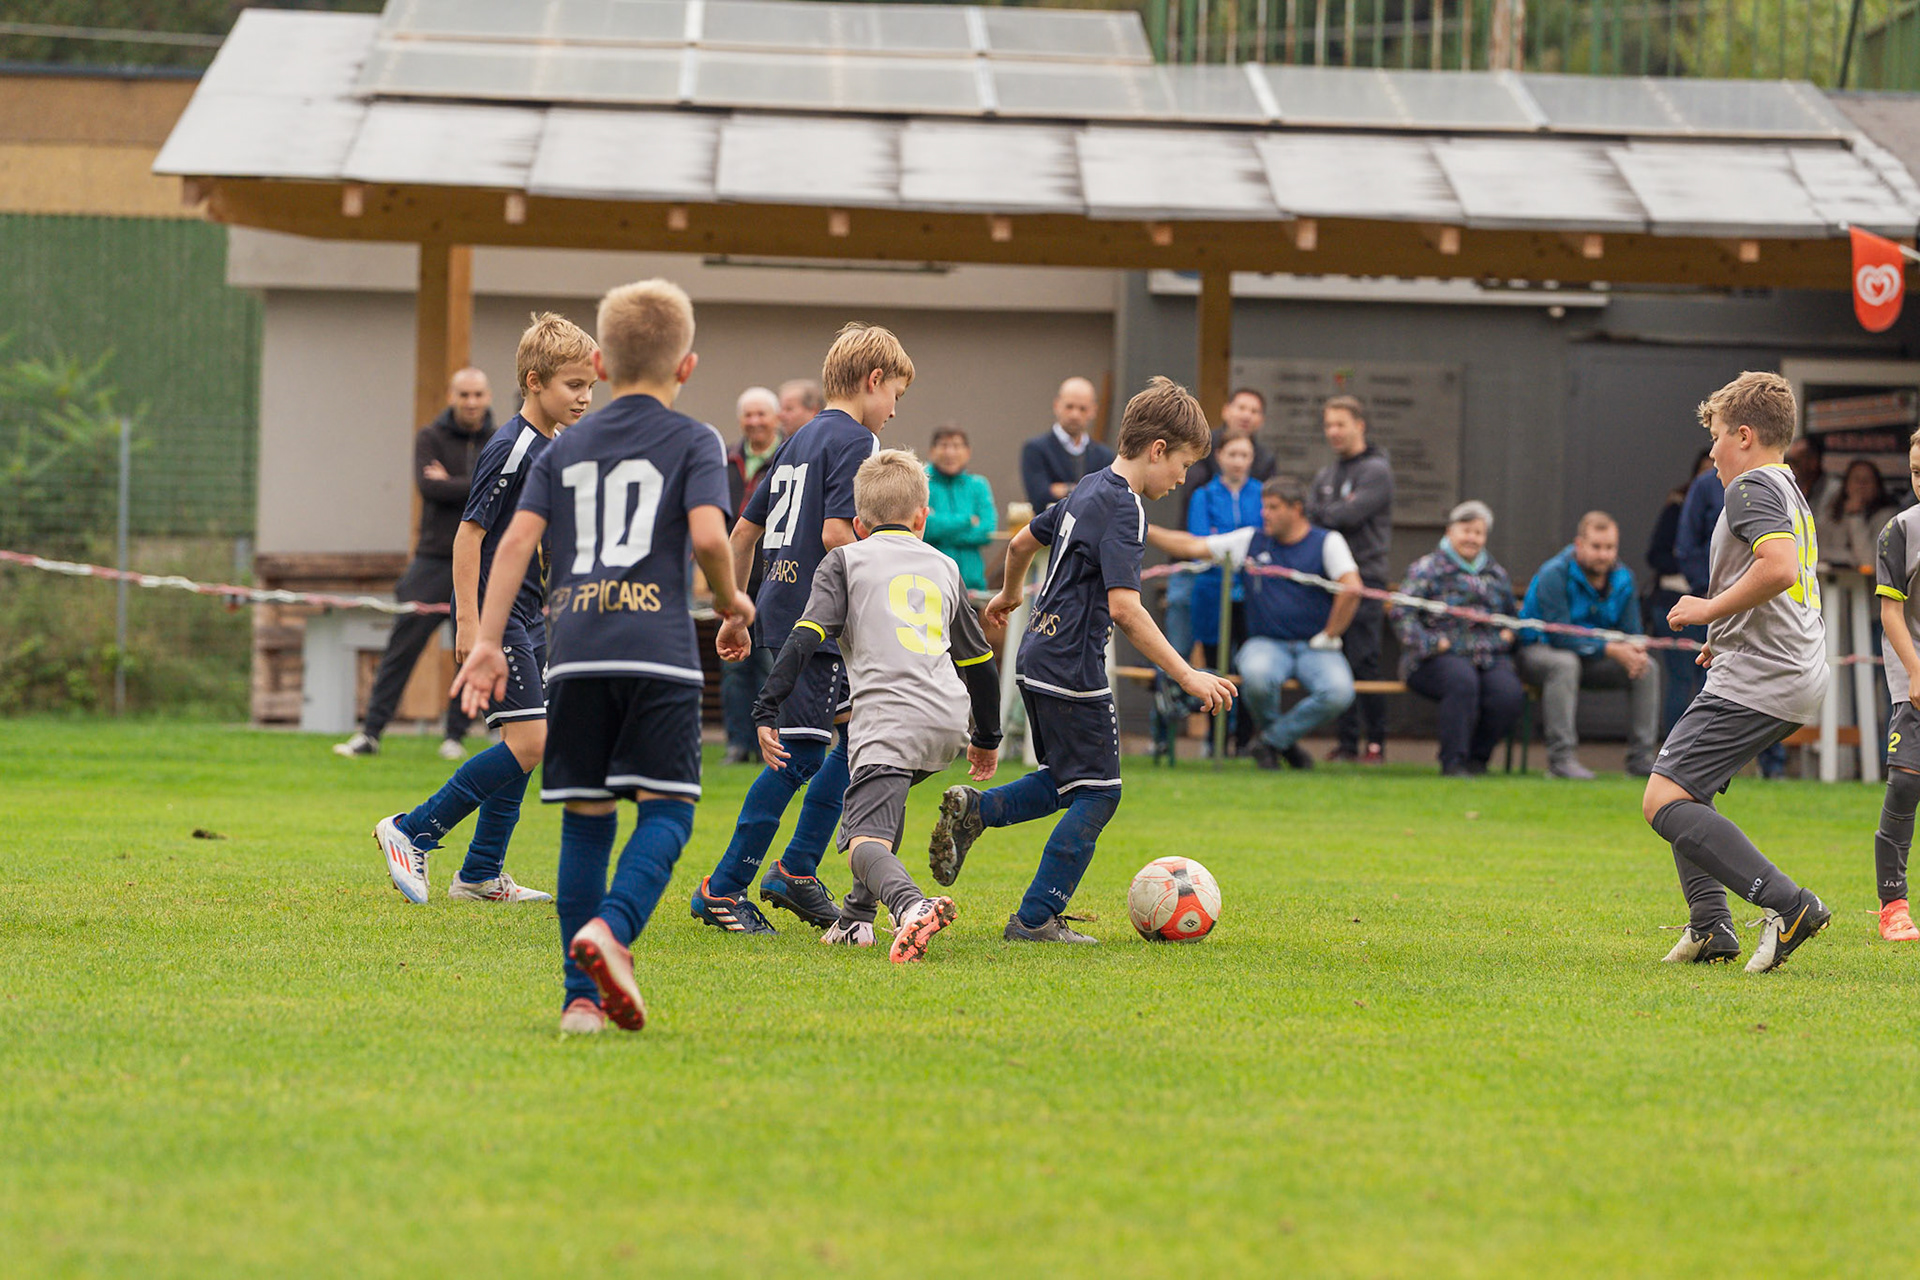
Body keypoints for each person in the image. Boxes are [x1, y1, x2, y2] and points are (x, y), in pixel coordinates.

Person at [451, 278, 753, 1034]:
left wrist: (485, 640)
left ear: (603, 365)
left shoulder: (567, 445)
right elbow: (710, 536)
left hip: (575, 651)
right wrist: (731, 602)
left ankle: (578, 1001)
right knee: (669, 811)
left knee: (586, 822)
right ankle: (612, 931)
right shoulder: (695, 440)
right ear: (686, 366)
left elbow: (513, 544)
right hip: (656, 653)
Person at [927, 378, 1236, 944]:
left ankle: (978, 811)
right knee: (1100, 793)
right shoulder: (1126, 508)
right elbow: (1125, 609)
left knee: (1068, 781)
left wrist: (1009, 595)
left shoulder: (1089, 486)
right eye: (1184, 464)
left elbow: (1021, 543)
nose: (1182, 478)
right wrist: (1188, 674)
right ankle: (1036, 918)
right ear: (1158, 450)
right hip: (1073, 665)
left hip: (1035, 655)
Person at [695, 323, 914, 935]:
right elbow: (838, 535)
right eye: (895, 394)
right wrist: (893, 590)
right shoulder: (858, 439)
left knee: (852, 740)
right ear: (874, 380)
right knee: (798, 756)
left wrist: (736, 607)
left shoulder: (799, 439)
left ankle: (795, 870)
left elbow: (744, 531)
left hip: (783, 607)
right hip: (818, 622)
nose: (894, 410)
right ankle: (723, 888)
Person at [374, 315, 598, 905]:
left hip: (528, 615)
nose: (585, 397)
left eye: (590, 386)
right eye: (574, 385)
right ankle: (412, 830)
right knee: (531, 742)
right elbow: (468, 535)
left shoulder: (552, 445)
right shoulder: (513, 446)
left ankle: (479, 874)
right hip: (497, 618)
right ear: (535, 382)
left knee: (524, 742)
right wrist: (473, 627)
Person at [751, 449, 1002, 961]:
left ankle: (910, 905)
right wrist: (987, 736)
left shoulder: (845, 560)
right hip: (947, 719)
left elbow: (805, 637)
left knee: (861, 842)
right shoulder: (946, 565)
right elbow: (979, 661)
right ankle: (856, 919)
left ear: (858, 524)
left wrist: (766, 707)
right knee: (885, 803)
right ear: (923, 517)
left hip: (888, 719)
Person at [1649, 371, 1830, 974]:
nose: (1712, 453)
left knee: (1664, 798)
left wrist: (1708, 611)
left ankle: (1790, 905)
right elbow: (1782, 583)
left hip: (1766, 674)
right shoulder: (1786, 486)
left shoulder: (1749, 486)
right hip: (1780, 667)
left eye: (1718, 436)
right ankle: (1710, 927)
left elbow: (1778, 568)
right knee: (1687, 787)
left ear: (1745, 436)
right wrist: (1724, 634)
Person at [334, 369, 495, 760]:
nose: (471, 402)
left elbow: (499, 491)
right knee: (401, 647)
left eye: (477, 394)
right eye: (464, 394)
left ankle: (455, 736)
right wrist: (477, 483)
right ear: (451, 396)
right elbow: (431, 488)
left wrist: (455, 482)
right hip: (433, 559)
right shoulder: (430, 437)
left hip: (478, 560)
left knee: (471, 649)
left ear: (488, 397)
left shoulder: (499, 440)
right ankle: (370, 734)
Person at [1147, 475, 1360, 771]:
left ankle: (1271, 741)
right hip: (1266, 643)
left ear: (1296, 509)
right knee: (1257, 678)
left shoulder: (1328, 541)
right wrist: (1141, 526)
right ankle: (1284, 744)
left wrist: (1331, 633)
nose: (1264, 514)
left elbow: (1352, 588)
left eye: (1273, 507)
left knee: (1339, 692)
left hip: (1316, 645)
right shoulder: (1250, 540)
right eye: (1264, 506)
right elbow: (1191, 546)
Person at [1516, 512, 1659, 780]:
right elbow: (1560, 635)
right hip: (1540, 649)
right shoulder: (1554, 573)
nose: (1603, 555)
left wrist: (1635, 651)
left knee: (1647, 667)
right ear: (1579, 544)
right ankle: (1561, 761)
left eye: (1610, 547)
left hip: (1593, 657)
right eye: (1596, 547)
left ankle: (1641, 761)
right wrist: (1611, 649)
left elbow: (1632, 632)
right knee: (1565, 664)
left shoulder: (1624, 578)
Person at [1393, 501, 1525, 777]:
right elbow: (1401, 614)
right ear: (1450, 531)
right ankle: (1453, 763)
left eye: (1478, 532)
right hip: (1435, 657)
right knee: (1462, 680)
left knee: (1508, 694)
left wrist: (1510, 633)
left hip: (1488, 655)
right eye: (1466, 530)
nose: (1471, 538)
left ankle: (1477, 760)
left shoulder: (1496, 573)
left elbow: (1511, 616)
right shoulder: (1427, 569)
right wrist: (1430, 643)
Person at [1306, 394, 1393, 765]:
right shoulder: (1326, 474)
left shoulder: (1377, 470)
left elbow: (1347, 516)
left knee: (1364, 662)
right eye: (1328, 425)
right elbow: (1313, 515)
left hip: (1366, 581)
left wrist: (1329, 512)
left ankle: (1376, 743)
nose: (1333, 432)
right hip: (1330, 582)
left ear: (1360, 425)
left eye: (1340, 424)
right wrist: (1331, 511)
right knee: (1335, 660)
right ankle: (1345, 744)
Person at [1185, 433, 1264, 753]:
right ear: (1219, 456)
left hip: (1252, 596)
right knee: (1215, 667)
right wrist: (1230, 545)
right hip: (1212, 592)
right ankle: (1214, 741)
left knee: (1248, 666)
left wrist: (1224, 540)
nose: (1238, 461)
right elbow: (1200, 543)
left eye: (1245, 455)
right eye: (1233, 454)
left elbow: (1262, 540)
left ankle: (1244, 740)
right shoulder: (1203, 495)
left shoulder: (1262, 493)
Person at [1872, 432, 1920, 943]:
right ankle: (1894, 906)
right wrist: (1915, 670)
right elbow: (1891, 612)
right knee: (1906, 781)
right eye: (1916, 471)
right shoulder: (1900, 530)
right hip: (1914, 673)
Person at [719, 385, 783, 764]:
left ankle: (769, 740)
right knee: (732, 665)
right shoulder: (727, 461)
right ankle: (737, 742)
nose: (755, 421)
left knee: (767, 662)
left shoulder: (787, 459)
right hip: (731, 576)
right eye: (749, 414)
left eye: (762, 414)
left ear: (776, 419)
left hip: (774, 574)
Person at [1645, 450, 1714, 735]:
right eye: (1705, 472)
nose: (1711, 479)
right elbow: (1656, 555)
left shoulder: (1736, 508)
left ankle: (1699, 747)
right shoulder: (1677, 508)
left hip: (1715, 605)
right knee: (1681, 679)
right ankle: (1675, 748)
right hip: (1674, 602)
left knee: (1709, 682)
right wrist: (1696, 572)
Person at [1021, 376, 1115, 512]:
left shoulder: (1104, 456)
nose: (1075, 415)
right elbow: (1039, 496)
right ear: (1056, 405)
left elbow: (1109, 499)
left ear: (1093, 411)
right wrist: (1089, 491)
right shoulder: (1035, 449)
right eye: (1069, 407)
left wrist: (1062, 489)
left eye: (1082, 409)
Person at [923, 425, 996, 592]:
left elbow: (987, 531)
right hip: (931, 584)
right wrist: (967, 521)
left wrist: (940, 529)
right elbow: (925, 528)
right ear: (932, 451)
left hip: (972, 587)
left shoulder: (979, 485)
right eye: (944, 446)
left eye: (956, 446)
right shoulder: (921, 482)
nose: (950, 453)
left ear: (968, 452)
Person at [1183, 387, 1278, 496]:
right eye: (1241, 408)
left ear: (1262, 420)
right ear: (1225, 411)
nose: (1246, 416)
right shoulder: (1202, 445)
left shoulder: (1266, 458)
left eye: (1254, 411)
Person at [1824, 458, 1898, 571]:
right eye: (1856, 479)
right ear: (1846, 485)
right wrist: (1850, 558)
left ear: (1877, 486)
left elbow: (1868, 563)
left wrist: (1856, 516)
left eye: (1867, 480)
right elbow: (1821, 552)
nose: (1861, 485)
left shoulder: (1887, 517)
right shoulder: (1832, 511)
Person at [1786, 432, 1841, 518]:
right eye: (1788, 461)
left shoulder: (1834, 489)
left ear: (1813, 461)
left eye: (1796, 462)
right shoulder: (1789, 486)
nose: (1790, 467)